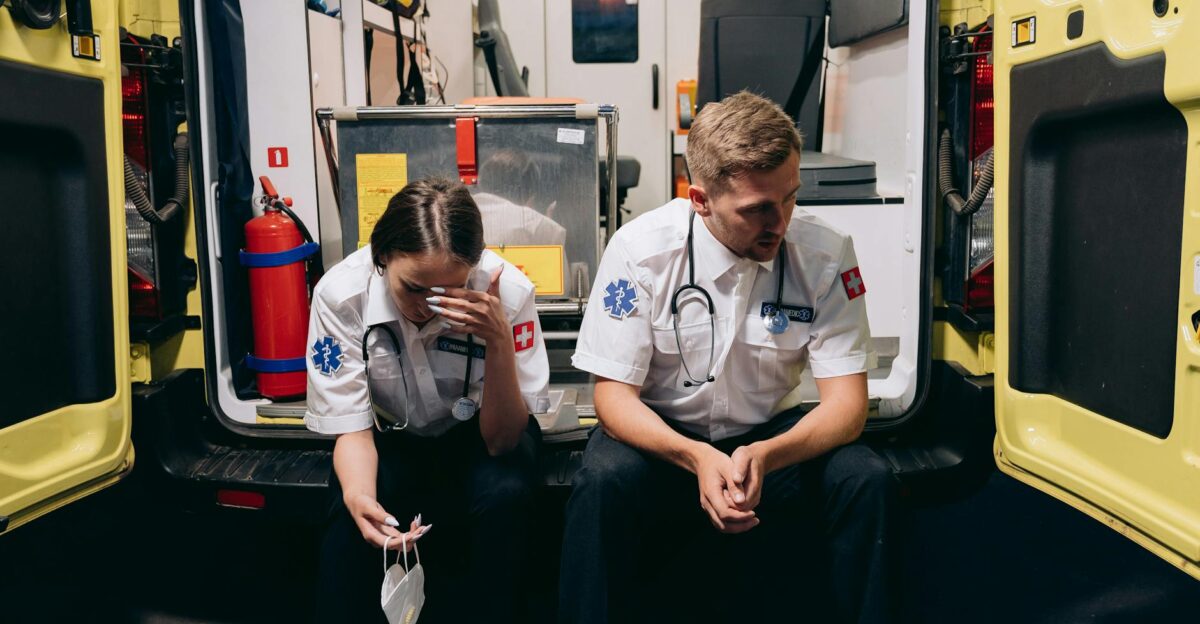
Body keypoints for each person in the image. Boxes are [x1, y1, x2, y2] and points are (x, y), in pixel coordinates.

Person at [559, 92, 896, 623]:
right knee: (602, 483)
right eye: (757, 209)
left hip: (772, 440)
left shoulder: (826, 254)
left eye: (789, 198)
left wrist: (766, 454)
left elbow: (847, 407)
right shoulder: (640, 252)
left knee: (865, 479)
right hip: (665, 441)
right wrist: (695, 457)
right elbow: (614, 398)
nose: (780, 222)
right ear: (700, 199)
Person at [307, 177, 550, 623]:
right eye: (414, 288)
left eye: (446, 292)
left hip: (480, 435)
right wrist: (359, 497)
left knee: (507, 496)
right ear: (382, 257)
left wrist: (498, 340)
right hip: (390, 433)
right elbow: (353, 431)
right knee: (347, 517)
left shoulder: (509, 293)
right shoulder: (341, 297)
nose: (427, 307)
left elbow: (501, 441)